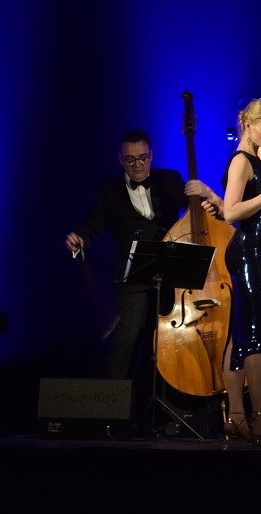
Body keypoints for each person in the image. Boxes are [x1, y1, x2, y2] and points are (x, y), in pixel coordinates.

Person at [65, 129, 223, 389]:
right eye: (130, 159)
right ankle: (112, 401)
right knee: (127, 336)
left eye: (143, 158)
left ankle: (163, 399)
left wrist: (206, 196)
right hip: (132, 278)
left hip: (170, 275)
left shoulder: (169, 179)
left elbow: (198, 210)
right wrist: (79, 239)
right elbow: (90, 227)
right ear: (120, 158)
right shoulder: (107, 192)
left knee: (167, 339)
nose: (137, 165)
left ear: (152, 155)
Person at [217, 99, 261, 448]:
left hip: (259, 255)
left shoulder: (255, 162)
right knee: (257, 334)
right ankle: (259, 413)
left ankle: (235, 415)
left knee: (242, 334)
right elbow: (231, 211)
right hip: (248, 254)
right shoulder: (241, 161)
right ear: (248, 125)